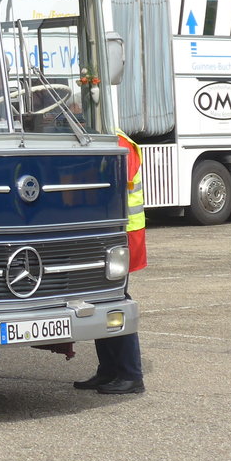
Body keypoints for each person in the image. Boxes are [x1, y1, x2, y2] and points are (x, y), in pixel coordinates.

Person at [75, 128, 147, 394]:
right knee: (100, 299)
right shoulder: (98, 138)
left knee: (116, 298)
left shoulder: (120, 143)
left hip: (123, 235)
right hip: (108, 233)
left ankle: (131, 375)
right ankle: (108, 370)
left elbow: (113, 182)